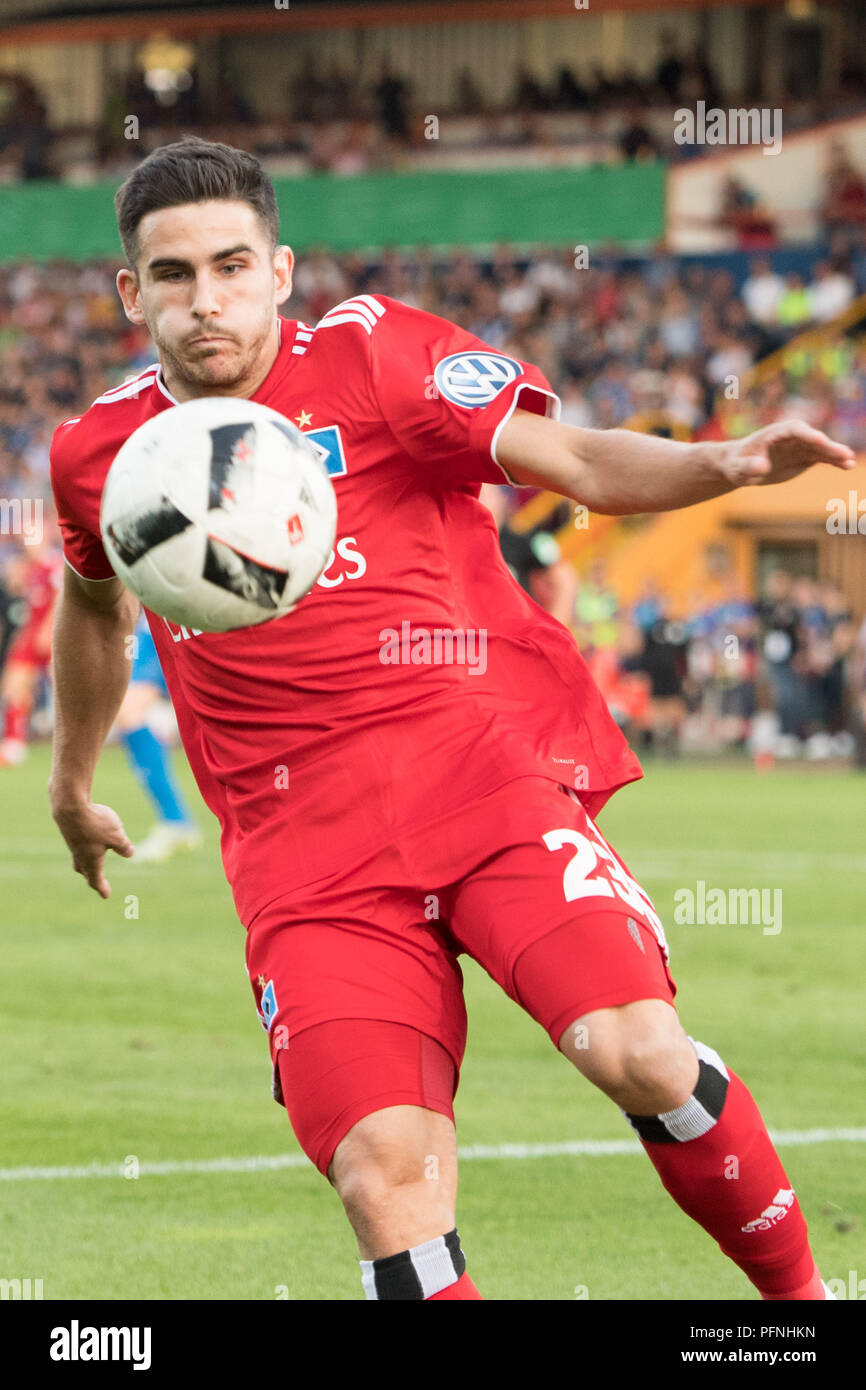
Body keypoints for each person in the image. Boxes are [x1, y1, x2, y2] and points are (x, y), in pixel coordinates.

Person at [49, 137, 854, 1302]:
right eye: (172, 275)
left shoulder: (377, 354)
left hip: (476, 778)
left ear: (280, 271)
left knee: (636, 1053)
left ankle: (801, 1307)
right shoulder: (95, 455)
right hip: (302, 852)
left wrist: (720, 463)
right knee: (385, 1175)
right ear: (132, 293)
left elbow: (572, 457)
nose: (205, 298)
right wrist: (73, 782)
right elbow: (90, 606)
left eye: (231, 265)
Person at [115, 614, 202, 862]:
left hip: (189, 620)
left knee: (130, 710)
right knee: (129, 712)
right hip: (156, 628)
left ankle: (178, 821)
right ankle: (175, 820)